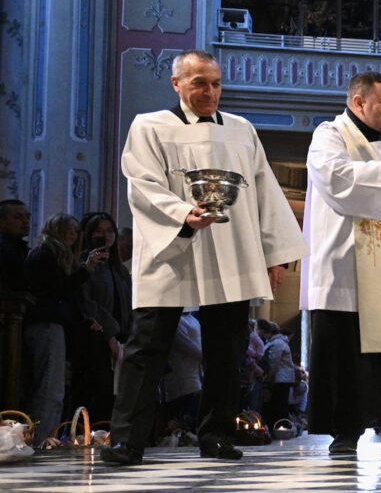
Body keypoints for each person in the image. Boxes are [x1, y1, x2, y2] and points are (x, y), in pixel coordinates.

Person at [102, 49, 307, 465]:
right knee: (147, 347)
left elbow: (265, 191)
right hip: (173, 246)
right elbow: (141, 183)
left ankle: (216, 434)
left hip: (230, 248)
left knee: (227, 350)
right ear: (176, 83)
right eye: (199, 83)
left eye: (215, 83)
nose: (209, 92)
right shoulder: (150, 127)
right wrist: (181, 213)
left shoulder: (241, 130)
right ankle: (128, 439)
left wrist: (275, 255)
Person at [302, 71, 381, 454]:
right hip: (347, 264)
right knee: (346, 348)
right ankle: (346, 429)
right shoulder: (329, 135)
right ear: (359, 103)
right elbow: (337, 180)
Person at [23, 214, 106, 445]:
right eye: (67, 229)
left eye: (76, 230)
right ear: (55, 229)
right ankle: (42, 442)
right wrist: (86, 269)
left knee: (54, 389)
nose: (73, 234)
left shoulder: (58, 256)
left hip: (53, 326)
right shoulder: (45, 254)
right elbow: (59, 290)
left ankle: (45, 439)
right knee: (49, 390)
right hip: (46, 325)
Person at [73, 212, 132, 422]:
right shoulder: (86, 262)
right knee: (97, 392)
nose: (105, 235)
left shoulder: (119, 269)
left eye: (109, 231)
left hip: (121, 338)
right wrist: (110, 335)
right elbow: (88, 302)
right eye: (98, 231)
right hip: (97, 337)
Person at [0, 199, 31, 408]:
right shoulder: (4, 247)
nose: (25, 221)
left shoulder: (19, 249)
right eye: (17, 217)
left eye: (27, 217)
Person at [162, 309, 202, 433]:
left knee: (193, 412)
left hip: (195, 372)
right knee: (182, 412)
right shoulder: (176, 321)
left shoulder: (193, 319)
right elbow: (186, 346)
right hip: (181, 373)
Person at [260, 321, 295, 425]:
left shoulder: (277, 343)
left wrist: (268, 378)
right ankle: (280, 425)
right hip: (282, 378)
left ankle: (281, 426)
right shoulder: (278, 342)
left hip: (280, 379)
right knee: (280, 404)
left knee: (280, 405)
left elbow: (273, 362)